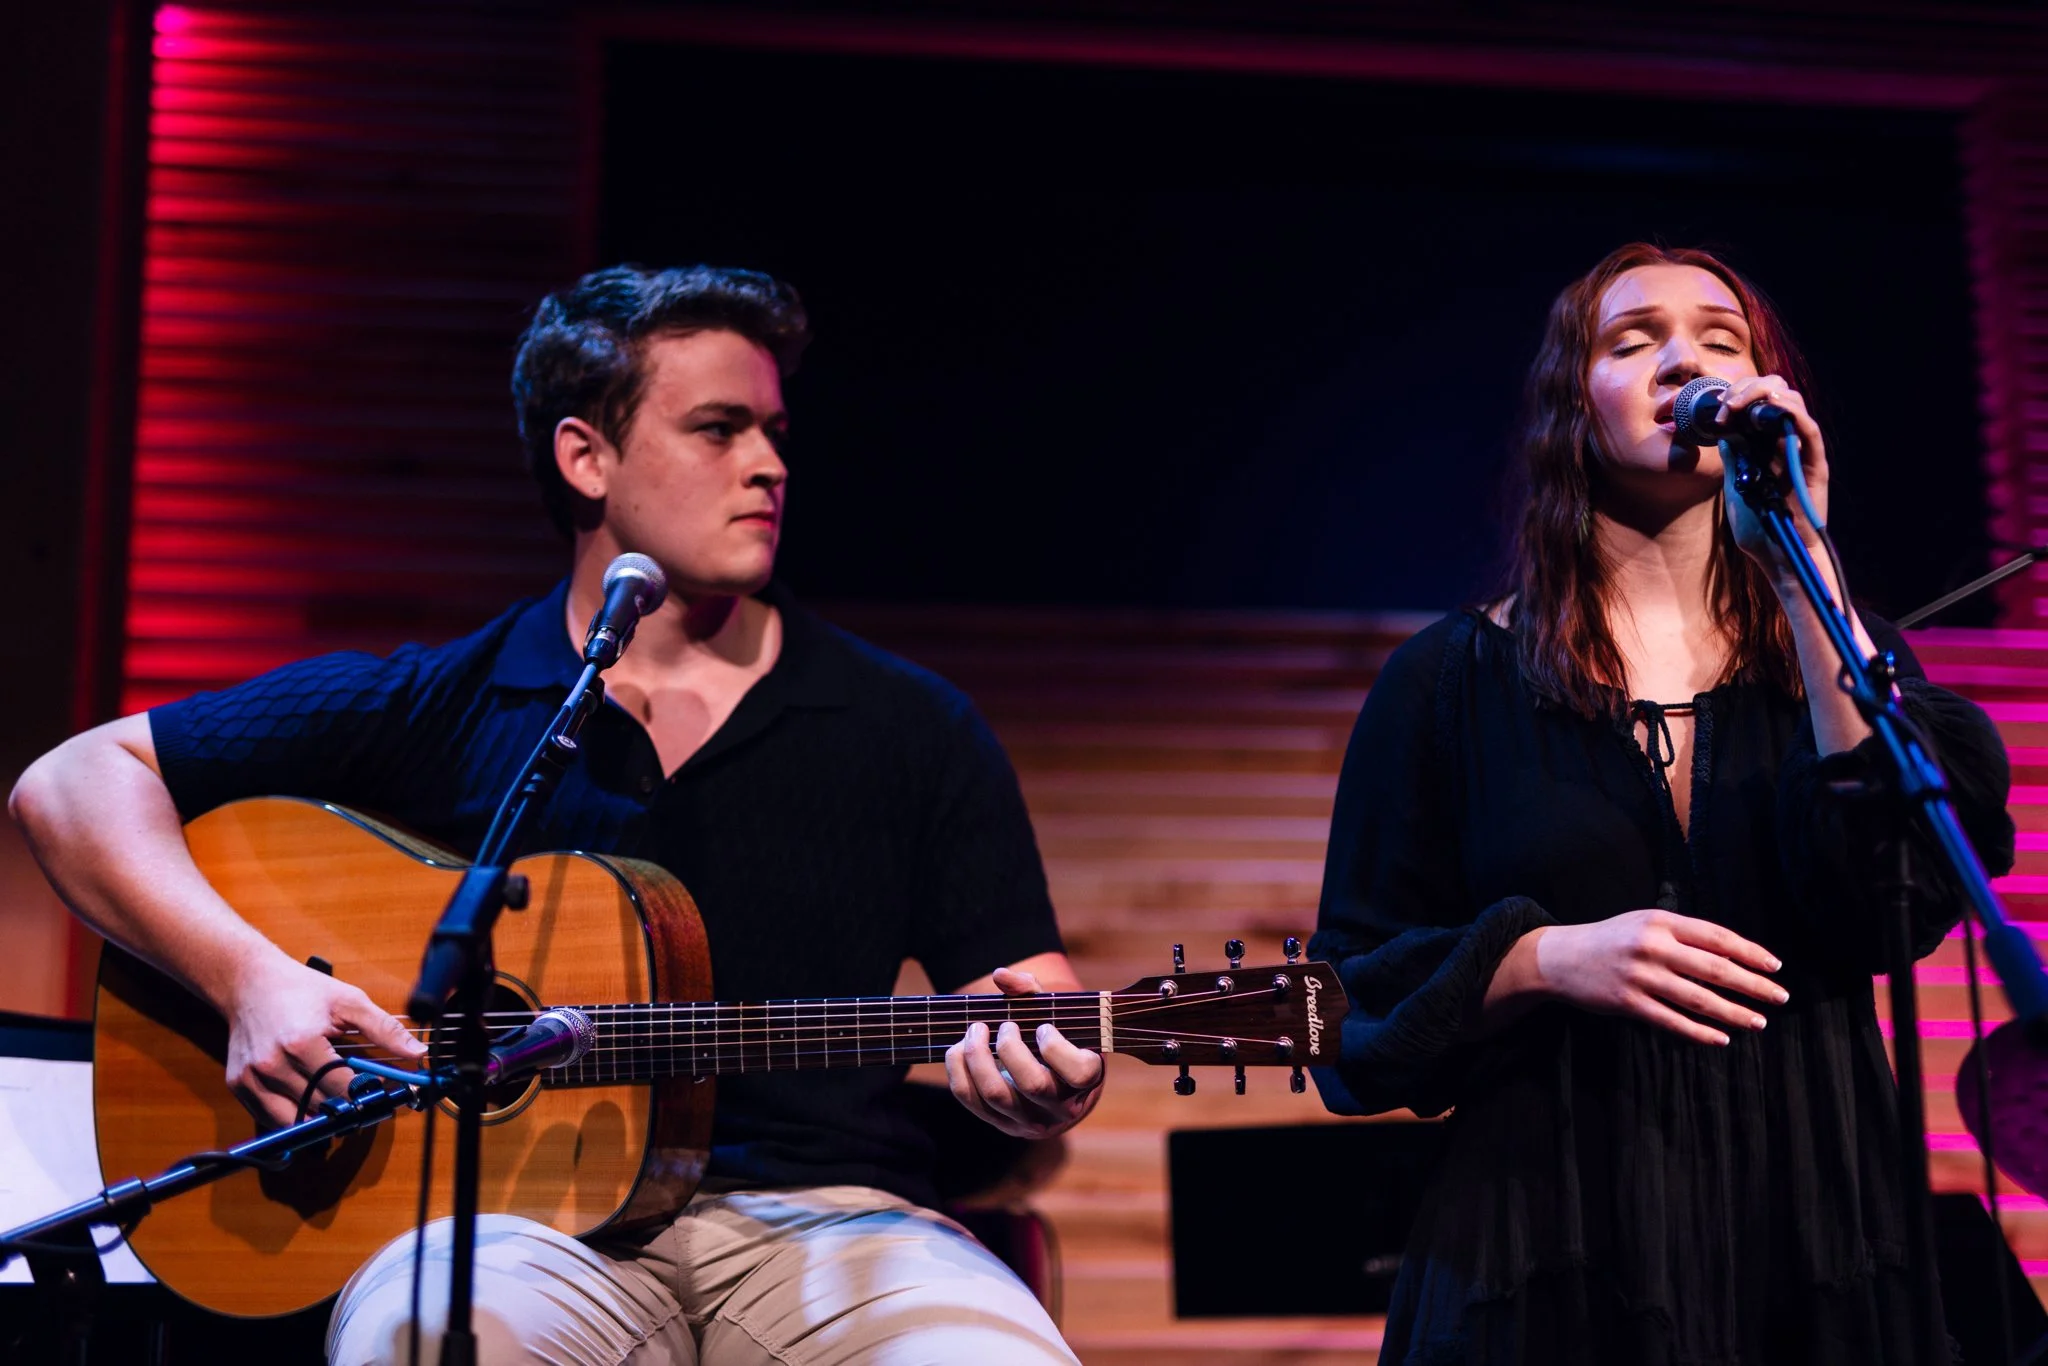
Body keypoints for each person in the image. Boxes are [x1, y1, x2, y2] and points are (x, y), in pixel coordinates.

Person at [9, 263, 1100, 1365]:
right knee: (427, 1338)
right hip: (507, 1225)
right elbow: (70, 784)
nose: (769, 465)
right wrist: (249, 978)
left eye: (772, 429)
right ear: (586, 457)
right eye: (718, 429)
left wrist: (1042, 1074)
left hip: (829, 1221)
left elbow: (1027, 992)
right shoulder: (444, 698)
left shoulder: (911, 725)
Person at [1308, 242, 2015, 1365]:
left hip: (1823, 1233)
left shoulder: (1841, 654)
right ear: (1567, 403)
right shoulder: (1445, 681)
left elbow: (1885, 902)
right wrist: (1542, 959)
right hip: (1544, 1241)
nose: (1682, 358)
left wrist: (1801, 571)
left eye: (1718, 340)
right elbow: (1345, 1002)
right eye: (1630, 340)